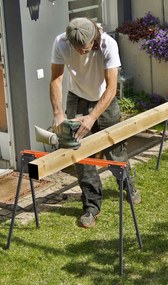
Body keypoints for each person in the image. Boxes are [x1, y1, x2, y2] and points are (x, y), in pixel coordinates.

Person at [50, 17, 141, 228]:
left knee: (115, 149)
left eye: (86, 47)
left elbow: (111, 88)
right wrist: (58, 113)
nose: (82, 52)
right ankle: (92, 205)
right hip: (77, 97)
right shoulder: (61, 43)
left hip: (105, 100)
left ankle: (128, 185)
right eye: (78, 48)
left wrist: (92, 117)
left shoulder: (109, 44)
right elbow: (56, 78)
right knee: (80, 154)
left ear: (94, 38)